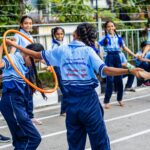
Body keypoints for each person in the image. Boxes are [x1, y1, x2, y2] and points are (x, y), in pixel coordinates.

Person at [6, 22, 144, 150]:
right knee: (100, 142)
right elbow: (105, 70)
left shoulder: (62, 50)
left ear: (75, 34)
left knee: (75, 143)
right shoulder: (88, 51)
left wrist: (15, 46)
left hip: (71, 104)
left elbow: (37, 54)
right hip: (89, 102)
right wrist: (129, 70)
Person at [0, 43, 46, 149]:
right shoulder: (13, 58)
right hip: (11, 101)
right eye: (34, 61)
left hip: (17, 102)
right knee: (33, 138)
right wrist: (2, 46)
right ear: (27, 54)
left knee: (21, 140)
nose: (34, 64)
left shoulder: (23, 65)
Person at [10, 15, 42, 125]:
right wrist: (11, 59)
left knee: (30, 92)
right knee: (24, 92)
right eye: (26, 23)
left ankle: (30, 116)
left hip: (30, 66)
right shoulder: (17, 35)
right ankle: (23, 116)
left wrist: (45, 63)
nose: (28, 25)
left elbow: (34, 52)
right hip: (22, 67)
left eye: (30, 23)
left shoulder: (30, 36)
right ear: (21, 25)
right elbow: (13, 49)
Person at [99, 20, 137, 109]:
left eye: (112, 26)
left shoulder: (119, 37)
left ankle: (119, 98)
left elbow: (124, 47)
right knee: (110, 80)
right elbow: (97, 46)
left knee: (119, 79)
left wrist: (134, 55)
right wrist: (100, 58)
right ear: (106, 28)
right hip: (109, 57)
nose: (110, 28)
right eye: (108, 26)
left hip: (117, 57)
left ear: (115, 27)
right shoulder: (104, 38)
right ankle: (106, 101)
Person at [51, 27, 66, 115]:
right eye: (58, 34)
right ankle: (63, 110)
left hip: (64, 67)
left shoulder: (63, 43)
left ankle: (66, 109)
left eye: (61, 34)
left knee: (66, 88)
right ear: (54, 35)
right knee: (64, 89)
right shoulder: (55, 45)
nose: (60, 35)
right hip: (58, 67)